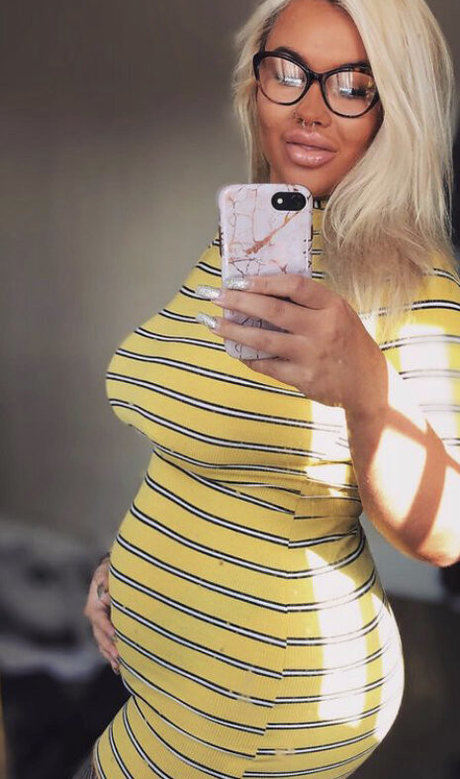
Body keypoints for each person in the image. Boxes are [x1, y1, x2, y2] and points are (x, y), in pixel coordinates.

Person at [82, 0, 460, 776]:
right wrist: (130, 568)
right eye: (288, 72)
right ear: (255, 83)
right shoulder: (255, 239)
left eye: (352, 85)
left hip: (267, 691)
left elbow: (447, 530)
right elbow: (208, 434)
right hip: (176, 677)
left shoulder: (411, 278)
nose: (311, 109)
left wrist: (365, 379)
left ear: (394, 106)